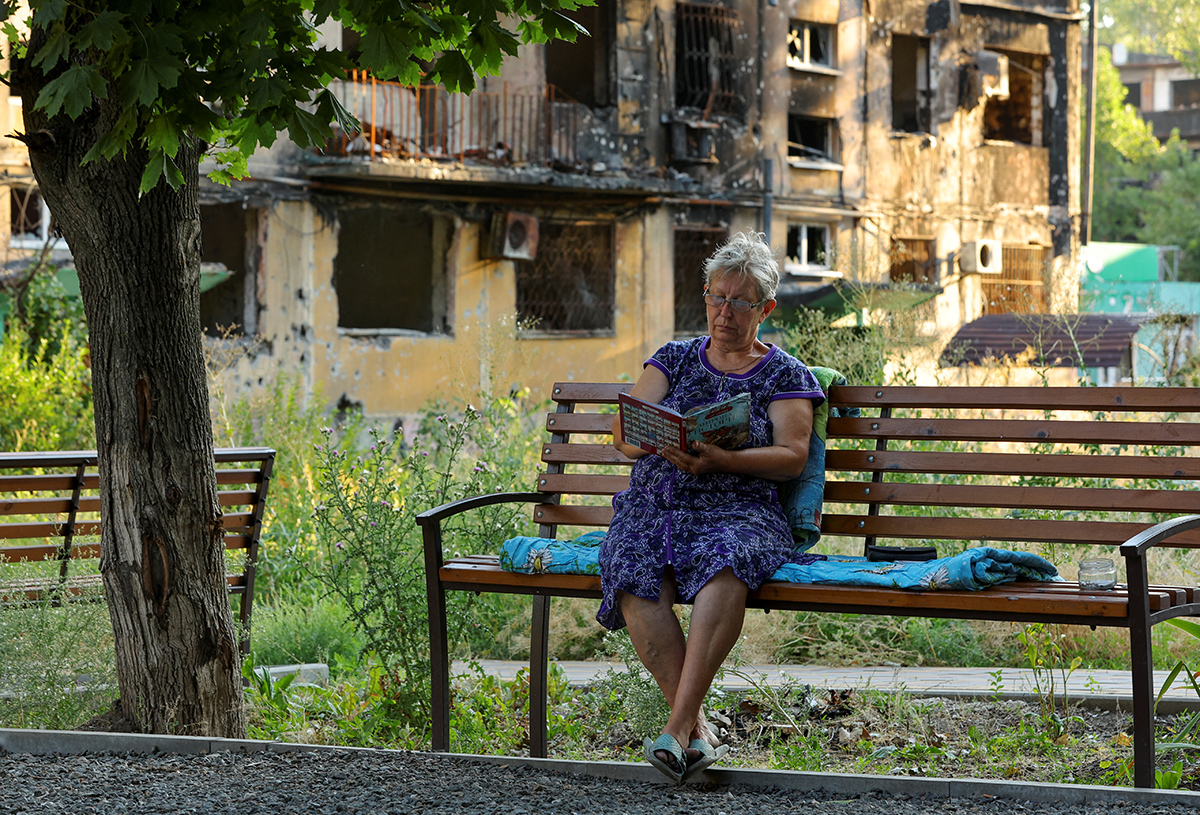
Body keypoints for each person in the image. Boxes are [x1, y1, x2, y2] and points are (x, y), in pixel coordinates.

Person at [599, 231, 824, 783]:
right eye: (717, 297)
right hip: (658, 502)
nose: (724, 312)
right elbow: (622, 435)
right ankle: (695, 730)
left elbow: (793, 456)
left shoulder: (785, 374)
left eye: (740, 302)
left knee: (729, 563)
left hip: (738, 507)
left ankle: (677, 729)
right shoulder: (674, 358)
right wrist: (659, 438)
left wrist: (720, 461)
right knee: (630, 567)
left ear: (765, 309)